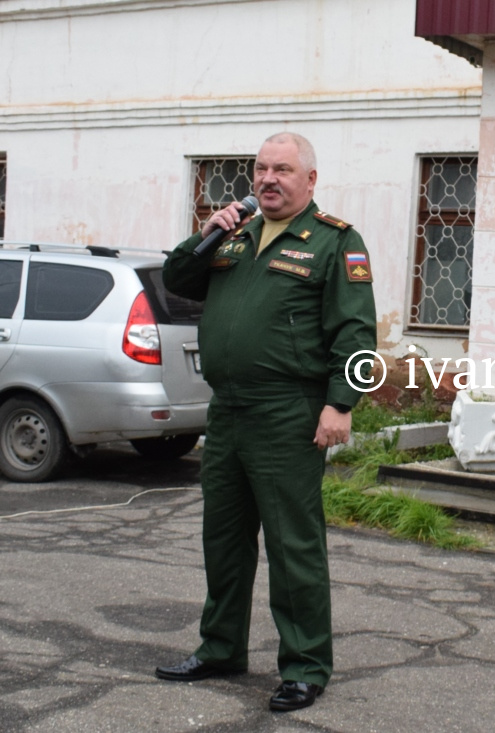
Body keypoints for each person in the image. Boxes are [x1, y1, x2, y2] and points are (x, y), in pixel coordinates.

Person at [155, 132, 377, 712]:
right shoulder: (237, 234)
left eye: (282, 169)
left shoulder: (335, 242)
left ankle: (305, 666)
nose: (267, 179)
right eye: (260, 170)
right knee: (224, 539)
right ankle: (220, 647)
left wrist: (341, 404)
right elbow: (176, 280)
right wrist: (208, 232)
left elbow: (356, 332)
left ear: (310, 180)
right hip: (227, 409)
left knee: (291, 543)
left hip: (290, 411)